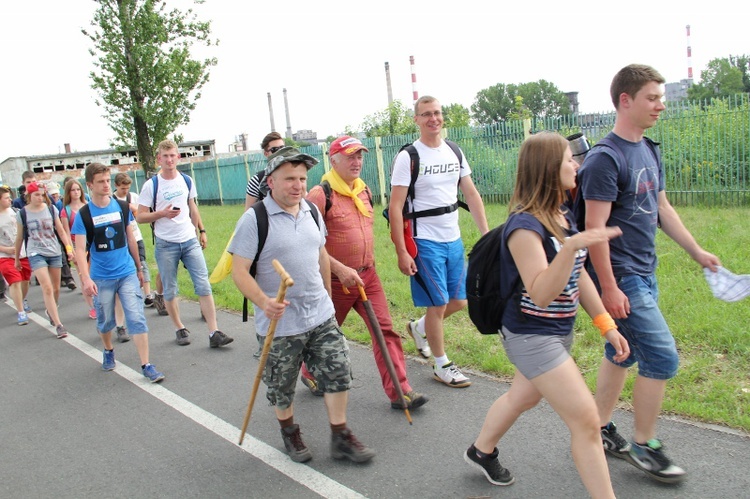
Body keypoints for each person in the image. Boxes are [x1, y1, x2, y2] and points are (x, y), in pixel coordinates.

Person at [576, 64, 721, 483]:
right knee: (661, 356)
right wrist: (609, 287)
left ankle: (599, 428)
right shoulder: (606, 159)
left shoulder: (648, 149)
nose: (661, 105)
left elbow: (662, 207)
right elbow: (594, 231)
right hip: (622, 277)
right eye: (652, 98)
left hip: (645, 271)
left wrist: (697, 251)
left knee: (623, 351)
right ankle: (644, 444)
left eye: (661, 97)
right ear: (626, 100)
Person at [464, 132, 628, 497]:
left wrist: (606, 325)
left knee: (524, 396)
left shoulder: (560, 214)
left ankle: (481, 450)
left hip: (556, 332)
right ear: (549, 168)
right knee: (586, 423)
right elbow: (540, 293)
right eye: (569, 159)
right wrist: (571, 247)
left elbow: (579, 274)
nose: (575, 165)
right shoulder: (525, 227)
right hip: (531, 336)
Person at [229, 146, 375, 464]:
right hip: (280, 323)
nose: (298, 185)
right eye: (289, 179)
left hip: (319, 314)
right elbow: (238, 272)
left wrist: (326, 292)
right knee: (281, 385)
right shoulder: (254, 220)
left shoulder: (310, 210)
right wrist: (264, 302)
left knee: (337, 371)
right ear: (270, 181)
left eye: (302, 178)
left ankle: (340, 435)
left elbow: (320, 253)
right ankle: (289, 431)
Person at [301, 136, 428, 410]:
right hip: (334, 282)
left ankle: (400, 391)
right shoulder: (320, 195)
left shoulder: (363, 191)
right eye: (350, 156)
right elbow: (307, 244)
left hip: (367, 277)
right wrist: (339, 268)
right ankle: (309, 370)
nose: (357, 161)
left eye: (360, 156)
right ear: (334, 160)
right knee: (324, 335)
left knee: (385, 331)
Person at [388, 95, 489, 388]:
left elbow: (471, 194)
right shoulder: (409, 157)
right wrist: (401, 250)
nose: (433, 118)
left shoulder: (454, 152)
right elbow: (396, 207)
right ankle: (441, 364)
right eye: (426, 114)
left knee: (459, 300)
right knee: (438, 304)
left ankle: (418, 329)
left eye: (437, 113)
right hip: (424, 241)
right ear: (417, 120)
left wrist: (486, 236)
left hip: (452, 238)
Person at [136, 139, 233, 348]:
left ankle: (213, 331)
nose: (169, 160)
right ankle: (179, 327)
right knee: (170, 289)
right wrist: (162, 214)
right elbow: (140, 216)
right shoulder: (151, 185)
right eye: (165, 156)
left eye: (173, 156)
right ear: (159, 159)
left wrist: (202, 230)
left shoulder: (186, 180)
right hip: (166, 243)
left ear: (178, 157)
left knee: (203, 285)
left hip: (189, 240)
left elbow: (192, 206)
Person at [72, 163, 164, 382]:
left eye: (107, 180)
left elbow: (131, 237)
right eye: (100, 181)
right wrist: (85, 279)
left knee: (136, 317)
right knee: (105, 322)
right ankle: (108, 349)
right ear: (90, 185)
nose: (106, 185)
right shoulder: (83, 215)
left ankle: (146, 364)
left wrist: (140, 267)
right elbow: (79, 250)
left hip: (126, 273)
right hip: (101, 277)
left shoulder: (122, 208)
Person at [14, 181, 74, 338]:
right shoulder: (22, 214)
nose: (40, 198)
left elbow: (61, 231)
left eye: (42, 195)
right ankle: (59, 324)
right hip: (35, 252)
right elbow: (19, 237)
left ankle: (50, 309)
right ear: (29, 196)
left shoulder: (51, 209)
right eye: (36, 195)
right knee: (46, 287)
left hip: (53, 251)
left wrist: (68, 249)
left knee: (55, 289)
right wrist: (17, 258)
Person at [114, 173, 155, 335]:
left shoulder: (133, 197)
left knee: (142, 264)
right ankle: (121, 320)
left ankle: (147, 294)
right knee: (126, 272)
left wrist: (132, 208)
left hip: (136, 237)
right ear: (116, 186)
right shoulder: (112, 200)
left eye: (127, 188)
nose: (125, 191)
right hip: (121, 241)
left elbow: (141, 215)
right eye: (122, 188)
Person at [59, 178, 97, 320]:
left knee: (95, 274)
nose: (76, 192)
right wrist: (70, 250)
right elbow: (66, 232)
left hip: (91, 243)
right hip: (76, 245)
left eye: (77, 189)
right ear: (68, 192)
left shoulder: (88, 206)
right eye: (73, 190)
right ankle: (92, 306)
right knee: (83, 276)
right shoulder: (66, 211)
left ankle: (99, 302)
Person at [0, 185, 32, 325]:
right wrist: (6, 250)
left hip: (23, 253)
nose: (10, 200)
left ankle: (21, 300)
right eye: (6, 198)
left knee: (25, 281)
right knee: (15, 281)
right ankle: (21, 312)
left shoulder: (16, 212)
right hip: (5, 256)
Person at [245, 132, 286, 210]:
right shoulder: (257, 181)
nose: (280, 152)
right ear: (266, 154)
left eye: (282, 148)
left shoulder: (295, 176)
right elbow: (248, 214)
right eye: (275, 149)